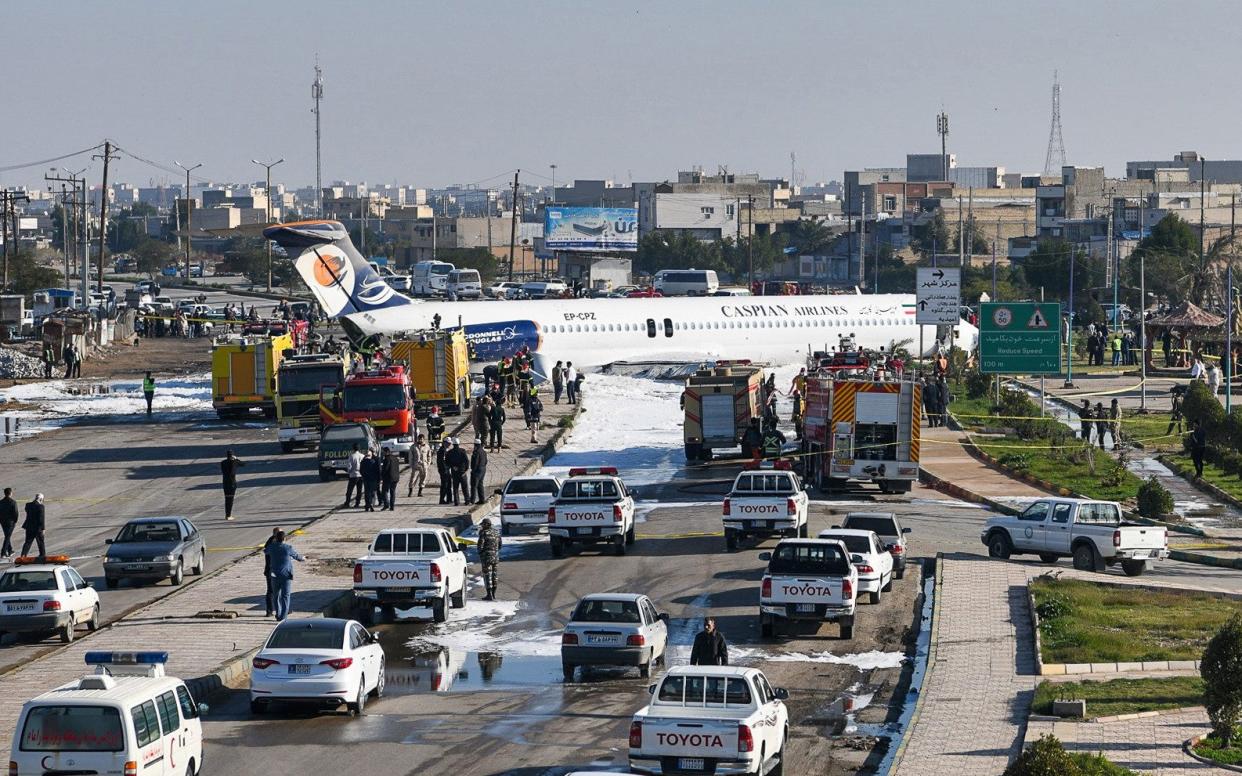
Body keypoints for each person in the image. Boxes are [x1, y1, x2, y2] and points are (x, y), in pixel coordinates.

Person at [264, 529, 305, 621]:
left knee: (275, 595)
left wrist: (272, 543)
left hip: (274, 575)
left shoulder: (272, 547)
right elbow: (297, 557)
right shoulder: (288, 548)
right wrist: (303, 558)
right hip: (286, 575)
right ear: (284, 539)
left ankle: (278, 614)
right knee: (285, 596)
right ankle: (283, 616)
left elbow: (265, 551)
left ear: (276, 538)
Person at [477, 518, 502, 600]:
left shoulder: (484, 533)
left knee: (487, 575)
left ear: (486, 525)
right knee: (494, 575)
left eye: (483, 525)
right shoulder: (497, 532)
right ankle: (494, 594)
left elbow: (480, 546)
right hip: (495, 557)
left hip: (486, 557)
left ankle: (489, 594)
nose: (482, 526)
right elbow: (500, 545)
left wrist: (480, 553)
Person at [261, 527, 281, 617]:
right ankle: (271, 610)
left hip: (271, 569)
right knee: (272, 591)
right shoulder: (273, 543)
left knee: (274, 590)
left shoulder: (271, 541)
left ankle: (277, 610)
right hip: (272, 570)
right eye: (281, 533)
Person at [220, 450, 245, 520]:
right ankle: (229, 515)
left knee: (227, 499)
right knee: (231, 499)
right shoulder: (234, 462)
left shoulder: (223, 462)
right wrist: (236, 459)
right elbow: (243, 464)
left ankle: (227, 514)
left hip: (225, 483)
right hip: (232, 483)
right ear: (232, 455)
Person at [20, 493, 46, 560]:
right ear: (41, 499)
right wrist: (43, 528)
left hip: (29, 527)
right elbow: (41, 519)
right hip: (38, 528)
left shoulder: (28, 505)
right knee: (40, 542)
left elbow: (27, 511)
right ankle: (42, 555)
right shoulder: (41, 507)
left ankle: (23, 555)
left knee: (28, 542)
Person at [446, 438, 471, 506]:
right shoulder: (462, 451)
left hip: (454, 472)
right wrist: (466, 469)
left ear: (453, 444)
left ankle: (456, 501)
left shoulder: (450, 452)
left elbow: (447, 462)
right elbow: (467, 461)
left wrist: (453, 466)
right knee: (465, 488)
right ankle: (467, 500)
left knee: (455, 488)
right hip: (462, 472)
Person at [407, 434, 431, 498]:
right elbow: (410, 456)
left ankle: (420, 492)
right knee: (413, 478)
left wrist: (428, 463)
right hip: (416, 465)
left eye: (421, 439)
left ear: (423, 439)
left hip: (424, 465)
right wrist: (411, 465)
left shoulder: (427, 447)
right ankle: (410, 491)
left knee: (423, 478)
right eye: (419, 439)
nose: (420, 440)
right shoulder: (413, 446)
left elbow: (429, 456)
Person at [345, 443, 364, 508]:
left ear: (353, 448)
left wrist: (349, 472)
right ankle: (357, 503)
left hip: (353, 475)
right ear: (359, 448)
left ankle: (347, 503)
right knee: (359, 490)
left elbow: (349, 467)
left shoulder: (352, 456)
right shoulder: (362, 456)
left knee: (349, 490)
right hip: (361, 475)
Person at [470, 438, 488, 505]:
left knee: (474, 485)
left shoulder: (476, 452)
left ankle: (472, 500)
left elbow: (475, 462)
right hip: (483, 469)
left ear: (475, 445)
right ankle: (482, 499)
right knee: (480, 485)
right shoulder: (483, 451)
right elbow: (486, 461)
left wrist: (473, 470)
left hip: (477, 470)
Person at [0, 487, 17, 558]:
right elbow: (16, 513)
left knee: (7, 535)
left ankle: (10, 550)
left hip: (2, 521)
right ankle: (3, 552)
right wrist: (15, 521)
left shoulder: (0, 502)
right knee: (7, 536)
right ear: (10, 493)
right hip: (10, 522)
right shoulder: (13, 502)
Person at [436, 438, 452, 504]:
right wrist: (445, 469)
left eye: (450, 443)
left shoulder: (446, 450)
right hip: (444, 470)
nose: (449, 444)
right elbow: (441, 462)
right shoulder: (442, 451)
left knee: (449, 485)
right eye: (448, 443)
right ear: (444, 443)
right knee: (444, 485)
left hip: (447, 470)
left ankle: (449, 499)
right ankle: (442, 499)